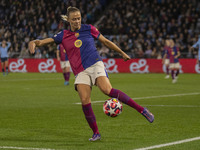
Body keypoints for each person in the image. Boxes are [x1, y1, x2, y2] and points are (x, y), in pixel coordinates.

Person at [29, 6, 154, 142]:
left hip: (95, 64)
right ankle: (96, 133)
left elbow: (105, 41)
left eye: (79, 18)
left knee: (107, 90)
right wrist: (33, 43)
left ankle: (142, 110)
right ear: (69, 20)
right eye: (74, 19)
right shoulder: (63, 35)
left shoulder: (89, 29)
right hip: (80, 71)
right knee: (84, 100)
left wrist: (122, 53)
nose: (77, 21)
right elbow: (42, 42)